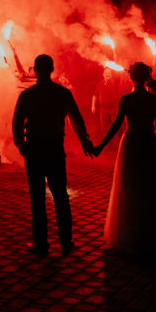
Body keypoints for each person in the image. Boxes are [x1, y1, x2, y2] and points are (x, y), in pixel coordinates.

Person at [12, 54, 94, 255]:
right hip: (55, 149)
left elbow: (16, 123)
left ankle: (41, 243)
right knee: (60, 196)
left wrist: (21, 145)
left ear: (34, 70)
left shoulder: (28, 95)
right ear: (52, 69)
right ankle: (66, 241)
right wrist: (85, 142)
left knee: (37, 198)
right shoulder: (62, 93)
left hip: (34, 149)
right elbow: (76, 120)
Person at [93, 62, 156, 255]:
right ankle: (153, 234)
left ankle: (130, 232)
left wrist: (100, 146)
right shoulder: (153, 100)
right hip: (147, 141)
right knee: (151, 185)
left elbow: (115, 126)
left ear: (131, 78)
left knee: (130, 185)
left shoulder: (127, 99)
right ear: (146, 78)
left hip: (131, 142)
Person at [91, 67, 122, 136]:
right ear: (103, 74)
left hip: (113, 109)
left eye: (109, 73)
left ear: (111, 75)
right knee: (104, 128)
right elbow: (95, 95)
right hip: (103, 110)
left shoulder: (114, 82)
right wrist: (93, 105)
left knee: (114, 128)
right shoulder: (100, 84)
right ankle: (108, 145)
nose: (107, 74)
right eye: (105, 73)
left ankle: (116, 144)